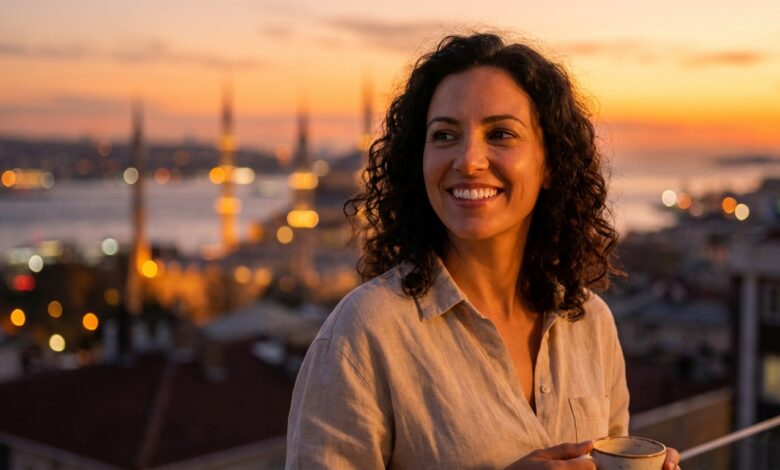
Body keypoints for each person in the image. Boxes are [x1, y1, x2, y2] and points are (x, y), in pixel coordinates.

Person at [286, 32, 681, 469]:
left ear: (551, 163)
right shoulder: (365, 332)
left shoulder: (590, 323)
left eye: (500, 134)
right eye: (444, 135)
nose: (469, 160)